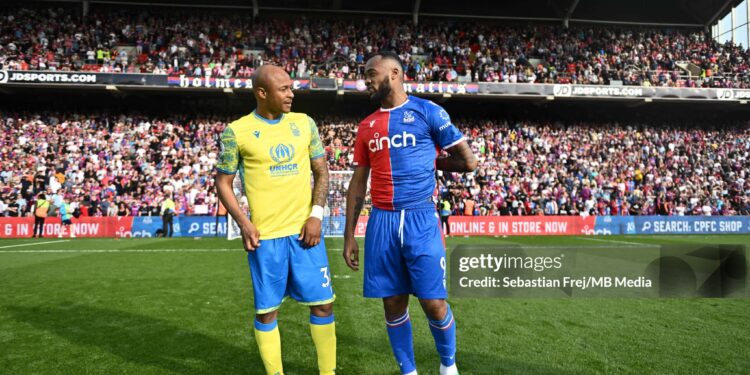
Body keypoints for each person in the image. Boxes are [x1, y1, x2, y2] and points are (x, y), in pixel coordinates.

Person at [343, 51, 477, 375]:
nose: (367, 79)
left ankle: (448, 366)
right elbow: (358, 182)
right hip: (382, 221)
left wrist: (433, 162)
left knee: (433, 302)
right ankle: (409, 372)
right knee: (392, 303)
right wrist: (349, 235)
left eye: (371, 72)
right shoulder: (366, 126)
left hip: (421, 218)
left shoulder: (428, 112)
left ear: (394, 73)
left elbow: (468, 161)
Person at [215, 64, 336, 375]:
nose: (291, 94)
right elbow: (223, 183)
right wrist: (245, 223)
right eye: (283, 89)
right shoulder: (236, 132)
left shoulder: (304, 123)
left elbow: (322, 172)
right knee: (268, 312)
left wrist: (316, 215)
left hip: (305, 234)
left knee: (323, 305)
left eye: (290, 88)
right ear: (262, 93)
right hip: (265, 238)